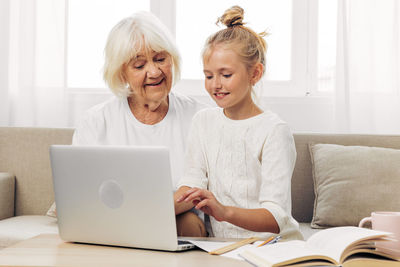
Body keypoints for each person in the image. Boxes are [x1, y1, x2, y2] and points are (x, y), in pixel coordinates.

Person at [69, 11, 208, 237]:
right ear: (121, 73)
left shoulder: (200, 117)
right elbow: (82, 196)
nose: (154, 72)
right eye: (139, 65)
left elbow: (201, 191)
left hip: (181, 229)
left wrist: (145, 211)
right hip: (113, 225)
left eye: (161, 59)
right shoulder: (95, 122)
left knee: (188, 222)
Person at [174, 6, 303, 240]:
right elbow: (191, 183)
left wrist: (223, 212)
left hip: (273, 248)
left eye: (226, 75)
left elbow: (276, 217)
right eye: (209, 75)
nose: (215, 85)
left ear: (255, 74)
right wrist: (147, 210)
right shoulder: (203, 122)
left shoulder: (274, 130)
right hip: (222, 248)